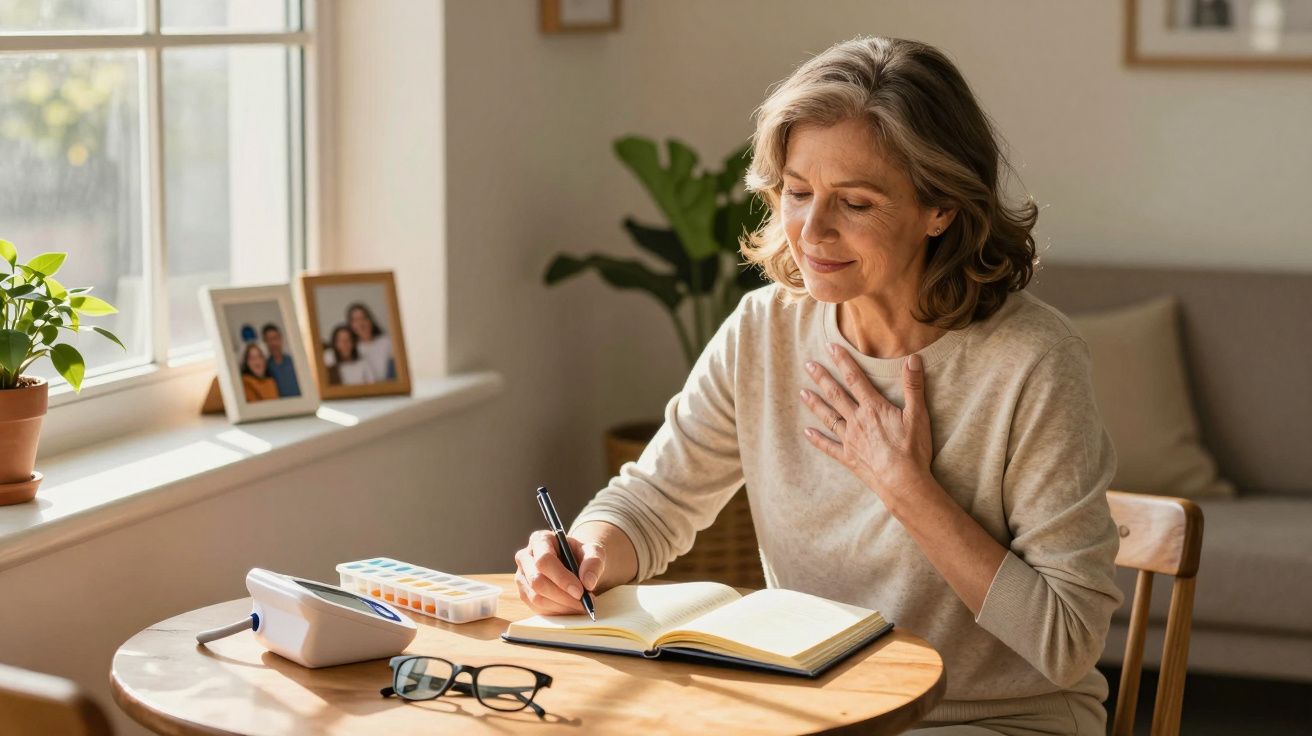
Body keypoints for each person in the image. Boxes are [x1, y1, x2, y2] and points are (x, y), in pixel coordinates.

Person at [513, 37, 1121, 735]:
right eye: (798, 193)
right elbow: (653, 500)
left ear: (941, 209)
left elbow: (1068, 642)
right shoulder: (765, 331)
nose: (812, 231)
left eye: (855, 203)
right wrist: (585, 551)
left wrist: (906, 487)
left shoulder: (1033, 361)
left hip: (992, 719)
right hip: (818, 714)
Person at [347, 302, 395, 381]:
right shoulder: (351, 348)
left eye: (364, 318)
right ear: (351, 325)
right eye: (356, 320)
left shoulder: (387, 341)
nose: (361, 323)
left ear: (370, 320)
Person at [261, 323, 301, 398]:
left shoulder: (294, 362)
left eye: (275, 338)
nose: (272, 343)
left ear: (281, 339)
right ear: (265, 343)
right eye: (268, 340)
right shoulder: (265, 368)